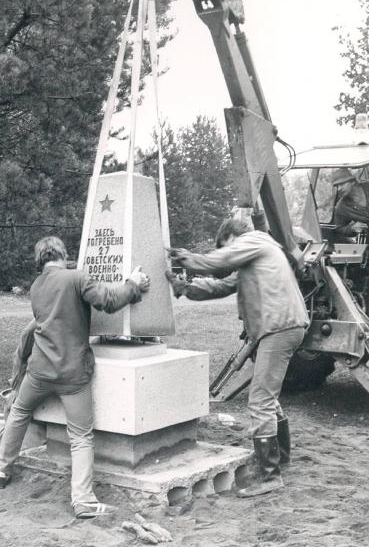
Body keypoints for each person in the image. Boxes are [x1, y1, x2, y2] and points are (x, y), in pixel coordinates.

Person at [0, 236, 150, 519]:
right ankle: (83, 501)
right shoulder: (77, 277)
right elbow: (108, 300)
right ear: (63, 253)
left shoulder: (36, 286)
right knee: (81, 437)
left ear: (40, 259)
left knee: (19, 412)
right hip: (72, 374)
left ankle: (2, 467)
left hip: (40, 371)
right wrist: (133, 283)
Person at [166, 217, 308, 497]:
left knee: (260, 400)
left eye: (225, 244)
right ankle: (282, 459)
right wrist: (185, 288)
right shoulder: (254, 260)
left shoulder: (254, 240)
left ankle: (270, 476)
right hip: (279, 327)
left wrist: (187, 258)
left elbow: (220, 260)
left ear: (233, 236)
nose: (226, 251)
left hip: (278, 327)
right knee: (268, 397)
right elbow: (221, 286)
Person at [333, 168, 369, 237]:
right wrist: (352, 228)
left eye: (342, 184)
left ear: (353, 181)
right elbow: (339, 229)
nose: (339, 189)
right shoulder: (341, 207)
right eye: (337, 186)